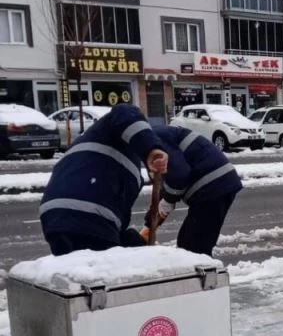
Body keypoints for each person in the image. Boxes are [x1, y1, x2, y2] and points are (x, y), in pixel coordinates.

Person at [39, 104, 168, 256]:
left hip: (54, 217)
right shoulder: (112, 128)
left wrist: (136, 243)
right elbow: (125, 111)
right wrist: (152, 148)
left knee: (77, 273)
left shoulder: (102, 145)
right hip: (89, 213)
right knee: (100, 273)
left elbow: (118, 219)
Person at [142, 125, 243, 256]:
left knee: (194, 248)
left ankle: (206, 275)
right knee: (186, 244)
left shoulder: (153, 140)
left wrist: (167, 201)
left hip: (213, 185)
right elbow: (168, 181)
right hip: (214, 185)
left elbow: (179, 176)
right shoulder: (152, 139)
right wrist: (149, 223)